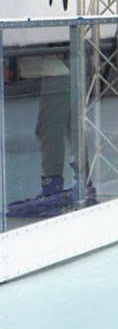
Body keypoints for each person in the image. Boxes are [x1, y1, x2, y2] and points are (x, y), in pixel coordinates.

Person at [6, 56, 76, 218]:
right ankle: (83, 182)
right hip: (63, 69)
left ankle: (53, 190)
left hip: (56, 71)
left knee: (50, 128)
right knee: (72, 126)